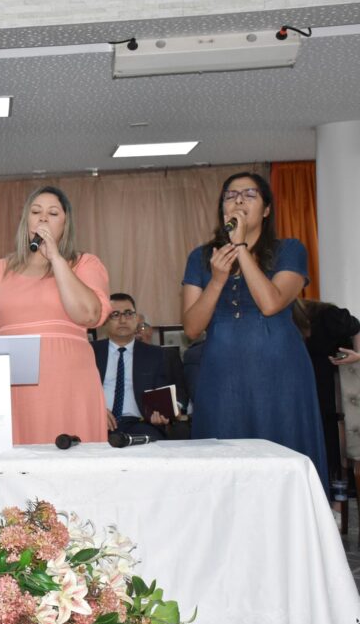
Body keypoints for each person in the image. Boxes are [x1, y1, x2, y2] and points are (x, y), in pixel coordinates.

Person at [182, 171, 328, 493]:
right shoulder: (202, 258)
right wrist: (217, 280)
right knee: (224, 463)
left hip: (279, 372)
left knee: (283, 453)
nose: (238, 201)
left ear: (266, 209)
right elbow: (192, 328)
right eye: (231, 195)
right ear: (222, 208)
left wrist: (241, 248)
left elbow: (270, 303)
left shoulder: (290, 249)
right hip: (221, 374)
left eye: (249, 194)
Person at [0, 185, 110, 444]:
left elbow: (90, 315)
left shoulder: (84, 264)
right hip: (12, 385)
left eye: (53, 213)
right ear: (26, 221)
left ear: (65, 225)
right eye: (36, 212)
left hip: (69, 383)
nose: (43, 218)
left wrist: (56, 258)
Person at [92, 293, 178, 442]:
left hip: (140, 423)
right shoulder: (90, 352)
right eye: (115, 315)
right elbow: (74, 391)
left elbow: (168, 393)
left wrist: (165, 413)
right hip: (98, 421)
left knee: (153, 443)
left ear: (137, 318)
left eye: (128, 313)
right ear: (104, 320)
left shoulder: (155, 355)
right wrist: (95, 411)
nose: (123, 320)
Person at [299, 299, 360, 484]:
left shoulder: (326, 315)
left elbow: (356, 327)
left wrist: (358, 354)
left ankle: (335, 487)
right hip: (308, 384)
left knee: (328, 428)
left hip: (330, 385)